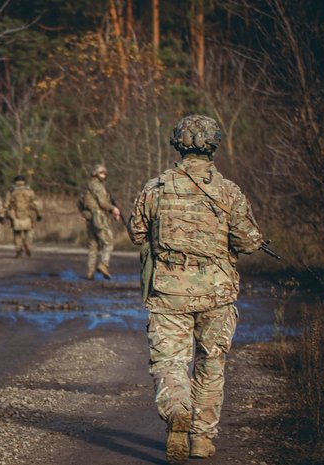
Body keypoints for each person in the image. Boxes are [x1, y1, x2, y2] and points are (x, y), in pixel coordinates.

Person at [128, 115, 265, 464]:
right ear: (214, 145)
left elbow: (137, 234)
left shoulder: (155, 188)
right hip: (216, 293)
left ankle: (177, 407)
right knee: (212, 364)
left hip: (169, 291)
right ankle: (202, 440)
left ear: (177, 143)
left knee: (171, 363)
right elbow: (248, 242)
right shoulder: (229, 191)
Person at [79, 164, 121, 279]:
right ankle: (104, 264)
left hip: (90, 218)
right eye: (102, 173)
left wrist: (83, 213)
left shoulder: (87, 186)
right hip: (99, 218)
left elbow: (79, 202)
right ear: (96, 174)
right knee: (108, 242)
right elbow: (102, 203)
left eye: (104, 173)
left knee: (93, 246)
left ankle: (90, 272)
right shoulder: (98, 186)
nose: (104, 175)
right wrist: (113, 209)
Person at [6, 175, 41, 258]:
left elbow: (6, 204)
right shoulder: (29, 191)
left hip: (16, 216)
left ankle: (18, 250)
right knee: (30, 232)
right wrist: (38, 214)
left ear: (15, 182)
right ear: (24, 182)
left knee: (17, 234)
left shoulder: (12, 192)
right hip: (28, 215)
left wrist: (5, 215)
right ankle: (27, 244)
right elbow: (35, 204)